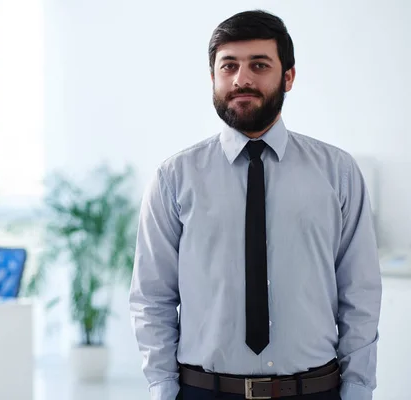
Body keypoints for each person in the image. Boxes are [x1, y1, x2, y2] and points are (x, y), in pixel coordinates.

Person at [129, 9, 382, 400]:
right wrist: (163, 388)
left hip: (315, 390)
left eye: (259, 65)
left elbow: (360, 295)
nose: (241, 79)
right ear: (212, 77)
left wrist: (358, 388)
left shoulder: (339, 173)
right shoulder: (173, 178)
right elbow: (152, 297)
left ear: (288, 77)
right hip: (203, 392)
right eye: (228, 66)